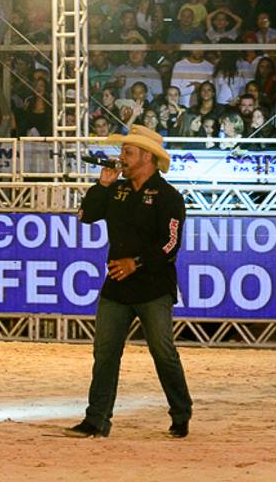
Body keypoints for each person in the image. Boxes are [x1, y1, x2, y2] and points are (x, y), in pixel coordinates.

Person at [64, 125, 193, 439]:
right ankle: (96, 419)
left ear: (147, 157)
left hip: (153, 287)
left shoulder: (169, 197)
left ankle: (181, 413)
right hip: (117, 285)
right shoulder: (117, 190)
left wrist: (136, 263)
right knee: (105, 353)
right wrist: (102, 186)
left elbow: (171, 244)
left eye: (128, 152)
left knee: (163, 352)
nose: (121, 157)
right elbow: (85, 215)